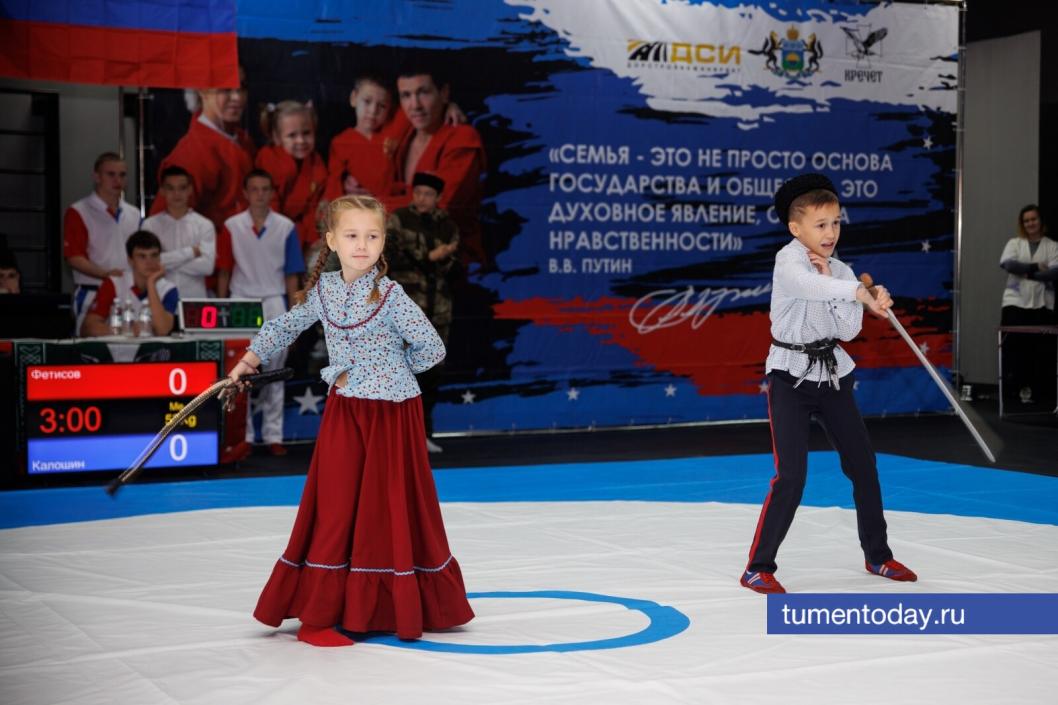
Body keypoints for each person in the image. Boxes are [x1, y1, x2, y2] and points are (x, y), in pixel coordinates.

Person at [227, 194, 474, 647]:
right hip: (346, 409)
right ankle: (319, 615)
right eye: (352, 235)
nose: (362, 245)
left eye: (372, 236)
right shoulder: (323, 291)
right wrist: (249, 360)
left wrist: (390, 372)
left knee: (386, 508)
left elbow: (432, 348)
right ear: (331, 241)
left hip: (392, 414)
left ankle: (381, 607)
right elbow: (286, 326)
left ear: (383, 242)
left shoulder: (393, 296)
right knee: (336, 504)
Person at [741, 173, 918, 595]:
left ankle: (878, 556)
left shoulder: (840, 269)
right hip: (789, 377)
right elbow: (807, 285)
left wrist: (860, 296)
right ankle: (758, 567)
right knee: (791, 475)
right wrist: (856, 291)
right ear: (795, 228)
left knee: (863, 465)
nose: (830, 232)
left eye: (836, 222)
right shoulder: (787, 261)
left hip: (832, 375)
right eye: (820, 224)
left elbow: (847, 330)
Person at [216, 169, 304, 456]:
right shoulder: (231, 226)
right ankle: (244, 437)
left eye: (265, 189)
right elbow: (224, 271)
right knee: (240, 371)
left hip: (274, 300)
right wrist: (222, 309)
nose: (260, 194)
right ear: (245, 193)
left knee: (276, 370)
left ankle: (273, 435)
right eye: (254, 189)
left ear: (272, 192)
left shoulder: (285, 226)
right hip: (240, 301)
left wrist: (294, 318)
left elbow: (292, 275)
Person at [386, 172, 459, 452]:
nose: (421, 199)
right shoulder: (399, 219)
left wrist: (442, 259)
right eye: (418, 192)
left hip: (437, 308)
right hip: (406, 308)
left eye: (428, 194)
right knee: (401, 371)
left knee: (432, 373)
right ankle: (397, 435)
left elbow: (453, 263)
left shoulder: (447, 225)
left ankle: (422, 433)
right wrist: (428, 257)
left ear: (438, 197)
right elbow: (391, 255)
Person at [387, 65, 486, 267]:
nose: (415, 105)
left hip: (451, 261)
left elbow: (439, 207)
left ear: (444, 92)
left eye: (423, 92)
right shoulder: (406, 130)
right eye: (406, 95)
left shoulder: (463, 138)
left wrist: (369, 205)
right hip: (404, 253)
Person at [150, 69, 255, 234]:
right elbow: (162, 227)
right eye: (226, 88)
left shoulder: (243, 141)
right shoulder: (191, 155)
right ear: (202, 90)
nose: (237, 97)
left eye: (242, 87)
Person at [63, 152, 140, 334]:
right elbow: (73, 257)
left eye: (122, 175)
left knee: (129, 346)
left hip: (127, 294)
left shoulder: (134, 213)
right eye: (111, 174)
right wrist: (106, 274)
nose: (117, 180)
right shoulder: (79, 211)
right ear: (96, 177)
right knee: (89, 347)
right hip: (93, 291)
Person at [998, 204, 1058, 404]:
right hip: (1015, 303)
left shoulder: (1052, 246)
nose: (1030, 223)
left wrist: (1026, 273)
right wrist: (1036, 267)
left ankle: (1040, 394)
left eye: (1034, 219)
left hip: (1042, 304)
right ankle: (1013, 393)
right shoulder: (1014, 243)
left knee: (1040, 351)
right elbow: (1008, 264)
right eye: (1026, 221)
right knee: (1015, 350)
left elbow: (1054, 273)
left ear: (1041, 221)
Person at [256, 100, 328, 255]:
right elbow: (267, 206)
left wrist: (312, 238)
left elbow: (314, 207)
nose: (301, 141)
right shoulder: (268, 159)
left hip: (301, 230)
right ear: (277, 137)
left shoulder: (316, 162)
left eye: (306, 133)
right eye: (292, 135)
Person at [80, 230, 179, 337]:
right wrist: (125, 330)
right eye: (142, 256)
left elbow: (162, 330)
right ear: (130, 260)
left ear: (160, 258)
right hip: (117, 346)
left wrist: (151, 283)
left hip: (153, 347)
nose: (149, 262)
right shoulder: (114, 283)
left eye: (154, 255)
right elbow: (87, 328)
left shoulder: (169, 289)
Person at [141, 166, 216, 299]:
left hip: (193, 299)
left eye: (182, 188)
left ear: (190, 190)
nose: (177, 194)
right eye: (170, 188)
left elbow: (207, 267)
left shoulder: (204, 225)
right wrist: (190, 253)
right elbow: (148, 263)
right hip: (160, 299)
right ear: (162, 191)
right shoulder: (150, 225)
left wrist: (165, 261)